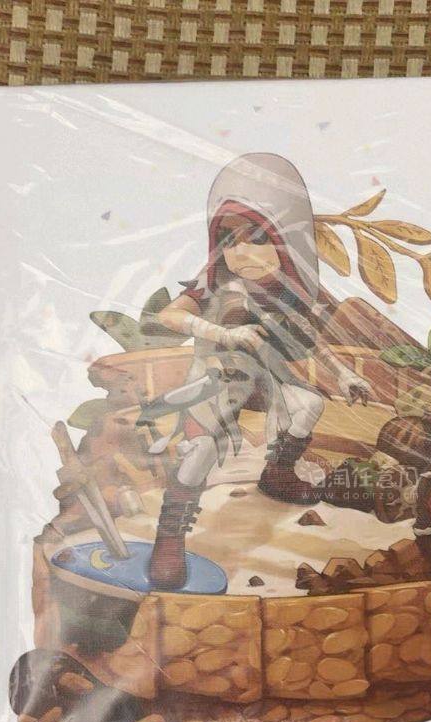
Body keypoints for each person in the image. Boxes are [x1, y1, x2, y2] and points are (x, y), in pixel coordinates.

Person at [146, 153, 373, 589]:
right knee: (200, 454)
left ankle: (278, 473)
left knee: (308, 404)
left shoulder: (287, 288)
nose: (241, 253)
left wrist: (344, 374)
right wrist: (221, 332)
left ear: (284, 240)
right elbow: (169, 315)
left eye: (256, 238)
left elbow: (308, 335)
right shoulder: (216, 280)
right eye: (229, 240)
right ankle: (169, 536)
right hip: (217, 379)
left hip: (267, 377)